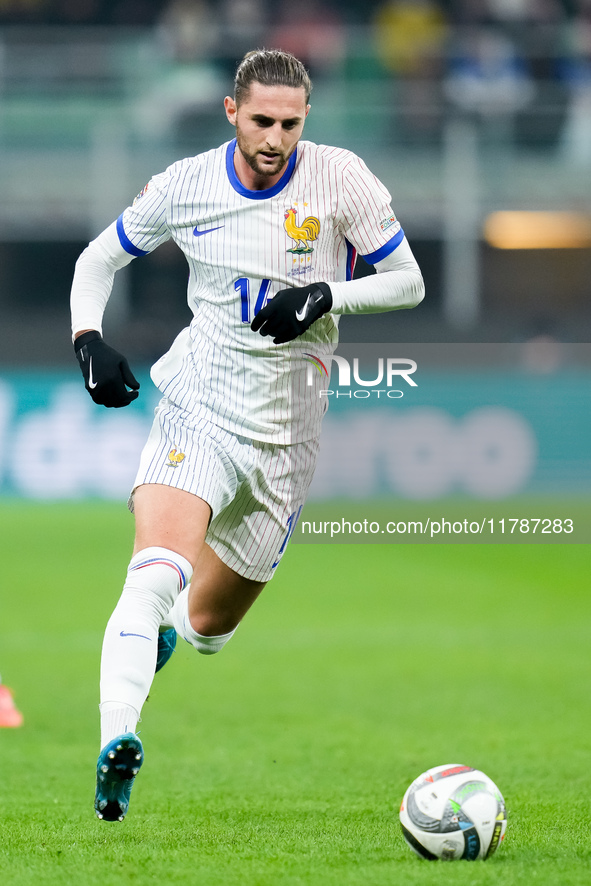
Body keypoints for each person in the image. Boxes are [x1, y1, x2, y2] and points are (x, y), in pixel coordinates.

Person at [70, 48, 425, 822]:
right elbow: (100, 258)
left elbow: (408, 280)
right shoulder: (185, 184)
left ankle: (168, 632)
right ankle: (115, 743)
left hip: (286, 440)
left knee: (204, 627)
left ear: (306, 120)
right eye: (260, 120)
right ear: (231, 112)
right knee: (153, 570)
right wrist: (87, 338)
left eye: (289, 123)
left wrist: (326, 292)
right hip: (198, 407)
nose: (274, 137)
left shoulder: (340, 178)